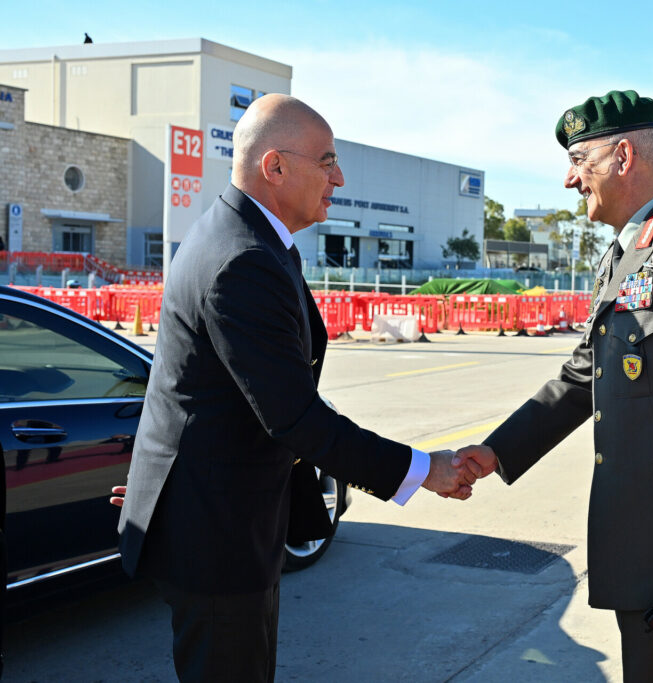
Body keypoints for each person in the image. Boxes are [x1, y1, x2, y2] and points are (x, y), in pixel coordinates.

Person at [116, 94, 474, 682]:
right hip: (216, 539)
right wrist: (420, 469)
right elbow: (295, 418)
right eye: (327, 160)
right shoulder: (242, 260)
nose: (339, 177)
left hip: (224, 522)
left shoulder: (250, 240)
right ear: (275, 167)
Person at [456, 90, 653, 682]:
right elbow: (582, 376)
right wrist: (496, 451)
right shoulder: (630, 250)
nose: (570, 179)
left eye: (580, 160)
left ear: (623, 155)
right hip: (642, 546)